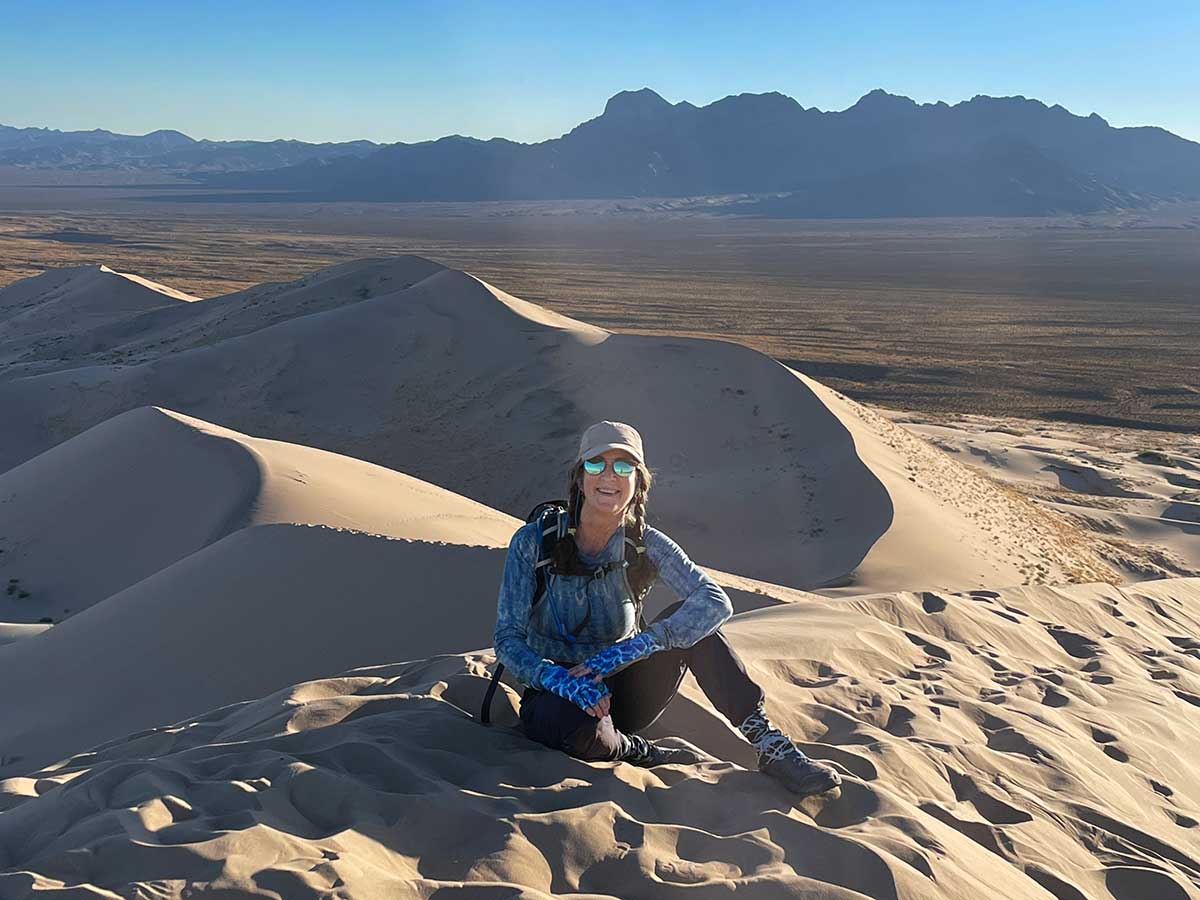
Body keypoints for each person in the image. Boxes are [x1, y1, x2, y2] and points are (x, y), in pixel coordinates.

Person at [493, 420, 841, 797]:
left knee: (698, 628)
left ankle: (770, 745)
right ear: (579, 478)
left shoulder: (647, 545)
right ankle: (639, 751)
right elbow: (507, 639)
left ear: (638, 482)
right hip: (555, 698)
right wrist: (562, 681)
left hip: (625, 689)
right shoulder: (534, 543)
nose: (609, 475)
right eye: (596, 464)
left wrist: (631, 649)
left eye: (623, 466)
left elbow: (713, 600)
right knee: (574, 728)